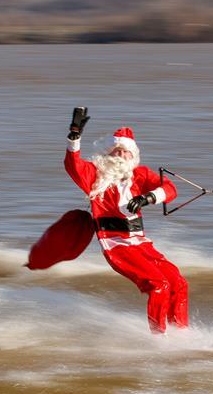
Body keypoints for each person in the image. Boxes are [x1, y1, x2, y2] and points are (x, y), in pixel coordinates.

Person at [63, 107, 189, 334]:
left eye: (125, 152)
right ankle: (159, 338)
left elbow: (170, 189)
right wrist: (75, 136)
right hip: (116, 245)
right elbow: (73, 165)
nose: (120, 155)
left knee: (178, 283)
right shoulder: (95, 176)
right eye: (117, 151)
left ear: (133, 156)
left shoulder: (140, 175)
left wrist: (148, 197)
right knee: (158, 285)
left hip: (140, 243)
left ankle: (181, 333)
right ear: (109, 154)